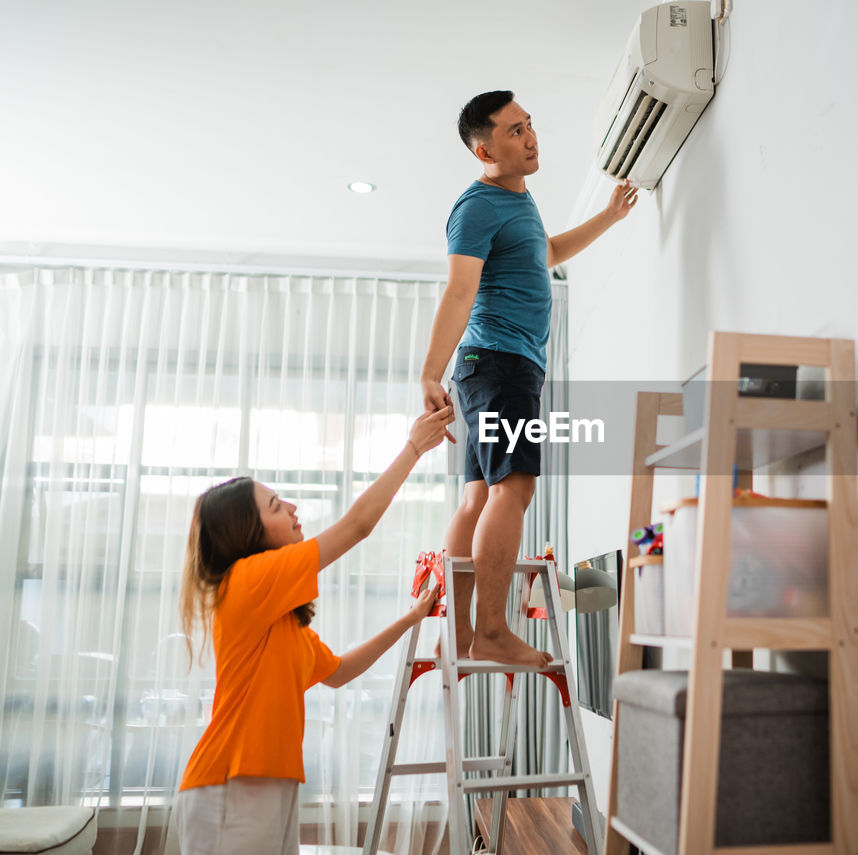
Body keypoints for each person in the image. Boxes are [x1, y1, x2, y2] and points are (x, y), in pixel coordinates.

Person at [419, 90, 637, 668]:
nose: (531, 137)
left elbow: (547, 252)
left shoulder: (521, 200)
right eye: (515, 131)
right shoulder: (477, 207)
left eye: (530, 125)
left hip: (496, 366)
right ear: (485, 148)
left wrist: (610, 217)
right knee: (513, 487)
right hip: (499, 363)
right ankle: (490, 631)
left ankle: (463, 634)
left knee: (477, 496)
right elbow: (460, 290)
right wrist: (427, 373)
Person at [174, 406, 454, 855]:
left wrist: (410, 619)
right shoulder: (247, 579)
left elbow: (340, 671)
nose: (293, 507)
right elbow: (358, 527)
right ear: (249, 532)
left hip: (266, 781)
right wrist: (415, 447)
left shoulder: (278, 618)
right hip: (232, 781)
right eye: (275, 506)